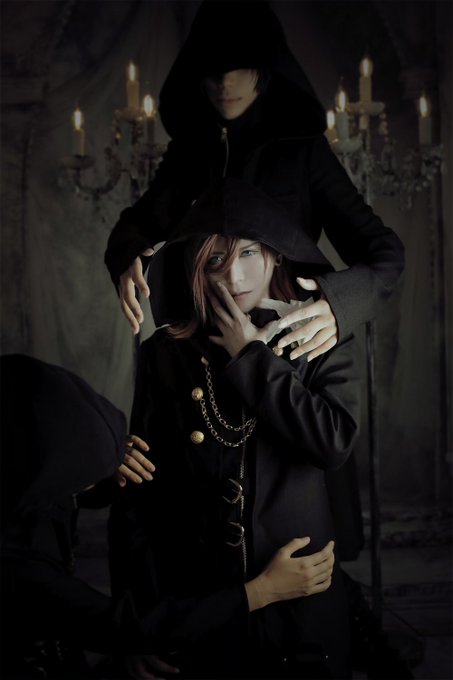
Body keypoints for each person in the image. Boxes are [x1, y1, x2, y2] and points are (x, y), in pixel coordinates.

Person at [109, 177, 361, 680]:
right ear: (194, 266)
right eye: (216, 260)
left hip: (301, 601)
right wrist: (137, 624)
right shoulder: (166, 352)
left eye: (248, 251)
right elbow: (140, 496)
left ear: (276, 253)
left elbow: (332, 443)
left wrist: (249, 356)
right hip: (200, 604)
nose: (235, 275)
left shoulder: (320, 338)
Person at [104, 0, 404, 364]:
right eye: (213, 71)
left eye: (240, 68)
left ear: (265, 68)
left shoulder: (302, 150)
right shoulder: (190, 151)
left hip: (287, 345)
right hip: (205, 346)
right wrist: (127, 256)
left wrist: (337, 305)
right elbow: (138, 225)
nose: (225, 83)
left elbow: (384, 252)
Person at [0, 353, 333, 680]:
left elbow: (70, 493)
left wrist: (110, 453)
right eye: (82, 470)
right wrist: (261, 592)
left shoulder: (17, 442)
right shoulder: (18, 560)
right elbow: (115, 624)